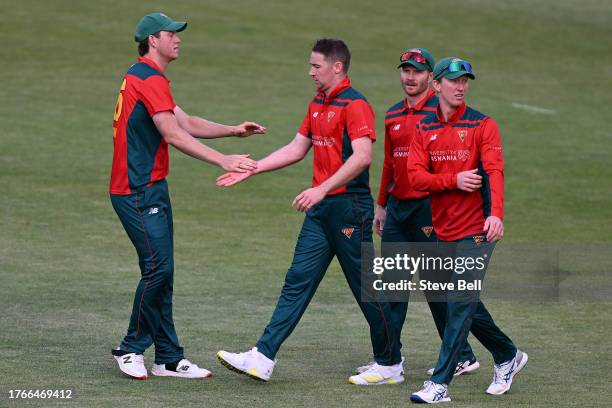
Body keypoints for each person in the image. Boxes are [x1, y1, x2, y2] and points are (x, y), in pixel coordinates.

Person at [215, 38, 403, 385]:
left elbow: (362, 157)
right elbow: (297, 147)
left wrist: (321, 188)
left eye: (316, 66)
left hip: (350, 209)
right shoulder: (317, 101)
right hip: (321, 210)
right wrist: (253, 168)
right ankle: (263, 356)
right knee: (297, 282)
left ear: (337, 67)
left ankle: (390, 363)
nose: (310, 72)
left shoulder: (355, 104)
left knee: (366, 289)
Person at [109, 12, 266, 380]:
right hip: (135, 190)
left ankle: (167, 358)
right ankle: (130, 347)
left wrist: (232, 131)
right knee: (158, 268)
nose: (178, 39)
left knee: (163, 271)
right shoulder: (146, 77)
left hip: (151, 188)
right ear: (153, 40)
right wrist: (223, 160)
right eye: (171, 34)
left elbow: (186, 122)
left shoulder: (150, 77)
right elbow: (172, 134)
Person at [407, 57, 527, 403]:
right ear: (437, 86)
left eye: (465, 81)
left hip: (478, 230)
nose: (461, 86)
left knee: (459, 302)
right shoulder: (425, 128)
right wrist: (453, 180)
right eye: (454, 80)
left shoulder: (482, 125)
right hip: (445, 229)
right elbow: (415, 178)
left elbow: (494, 171)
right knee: (464, 302)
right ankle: (508, 355)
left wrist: (496, 214)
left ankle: (440, 384)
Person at [355, 48, 479, 378]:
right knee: (391, 287)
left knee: (437, 286)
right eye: (406, 70)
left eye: (418, 71)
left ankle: (464, 354)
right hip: (397, 210)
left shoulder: (437, 116)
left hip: (429, 209)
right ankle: (388, 360)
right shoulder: (393, 114)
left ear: (431, 79)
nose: (410, 77)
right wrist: (382, 204)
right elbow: (390, 163)